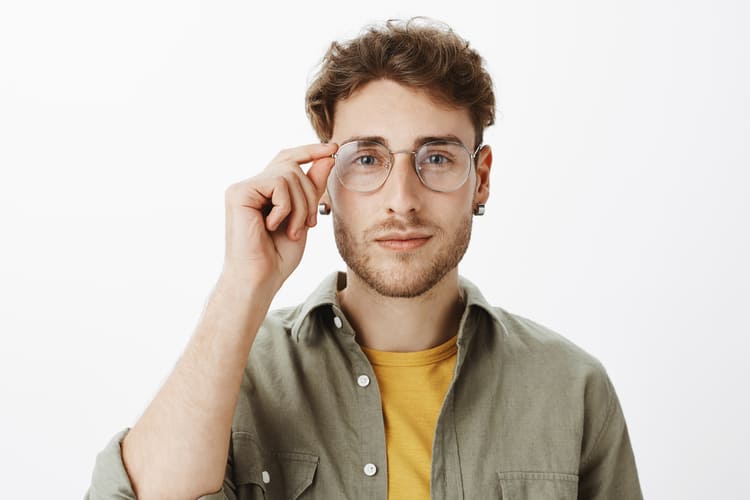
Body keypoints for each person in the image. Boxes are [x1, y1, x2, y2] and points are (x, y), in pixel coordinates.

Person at [85, 18, 643, 500]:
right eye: (368, 158)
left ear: (482, 178)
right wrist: (242, 283)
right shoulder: (238, 376)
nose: (402, 198)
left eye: (439, 157)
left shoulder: (572, 389)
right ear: (324, 181)